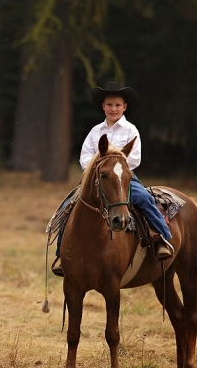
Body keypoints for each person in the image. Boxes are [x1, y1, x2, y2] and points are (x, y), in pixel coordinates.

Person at [51, 81, 173, 277]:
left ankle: (162, 238)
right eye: (109, 105)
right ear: (103, 107)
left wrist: (117, 169)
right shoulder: (96, 131)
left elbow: (135, 158)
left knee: (143, 198)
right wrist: (95, 170)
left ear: (124, 107)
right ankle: (61, 254)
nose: (113, 109)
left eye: (117, 105)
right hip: (97, 178)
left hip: (124, 178)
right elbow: (85, 155)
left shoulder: (130, 131)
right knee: (69, 205)